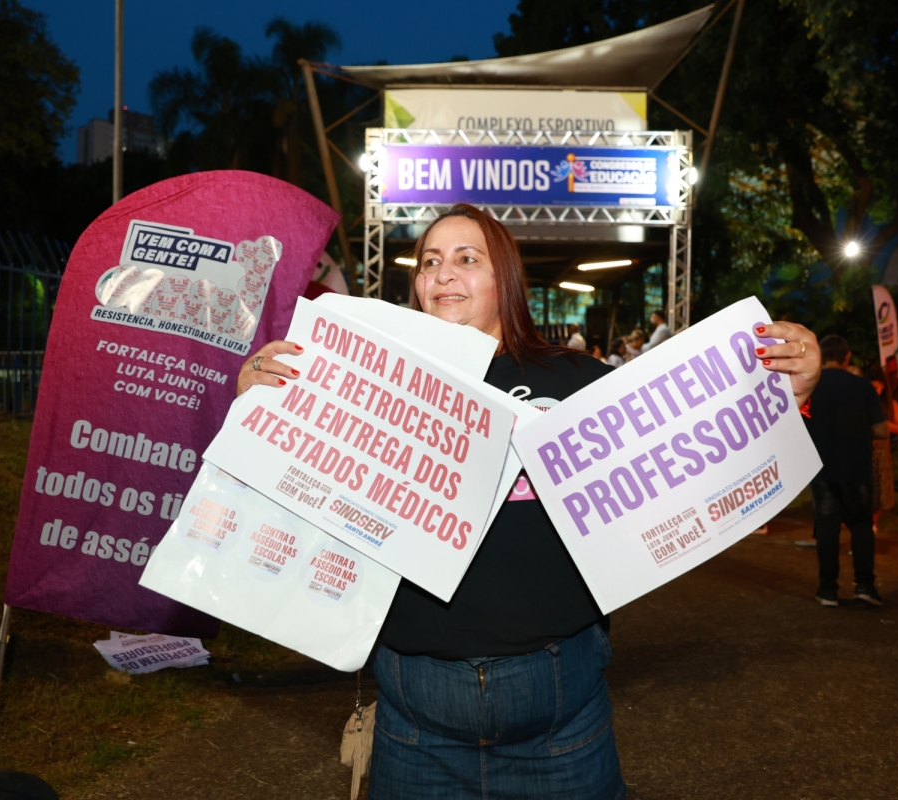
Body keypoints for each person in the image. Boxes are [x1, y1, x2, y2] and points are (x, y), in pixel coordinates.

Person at [235, 202, 822, 799]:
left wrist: (783, 393)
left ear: (506, 279)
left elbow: (695, 456)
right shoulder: (367, 383)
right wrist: (257, 407)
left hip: (562, 726)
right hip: (414, 728)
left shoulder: (579, 380)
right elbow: (293, 493)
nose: (442, 273)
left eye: (467, 259)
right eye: (429, 262)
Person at [804, 335, 889, 608]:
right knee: (861, 524)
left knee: (827, 527)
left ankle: (827, 590)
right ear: (847, 356)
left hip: (820, 466)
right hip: (856, 464)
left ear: (820, 356)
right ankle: (865, 586)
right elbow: (881, 430)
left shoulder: (808, 385)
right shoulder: (862, 386)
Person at [865, 364, 898, 532]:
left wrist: (882, 423)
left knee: (880, 489)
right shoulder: (861, 402)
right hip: (863, 450)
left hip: (881, 452)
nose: (873, 392)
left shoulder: (890, 405)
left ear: (883, 387)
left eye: (875, 388)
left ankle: (873, 522)